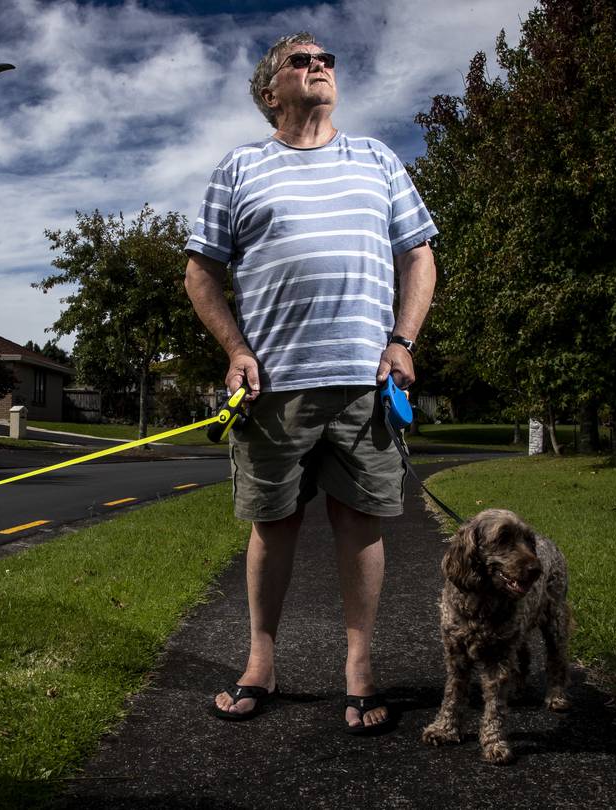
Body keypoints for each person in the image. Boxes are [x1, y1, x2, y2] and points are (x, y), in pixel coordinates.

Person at [184, 32, 438, 734]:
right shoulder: (241, 167)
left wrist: (402, 340)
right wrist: (236, 349)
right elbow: (200, 271)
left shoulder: (376, 160)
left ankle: (359, 666)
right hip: (274, 385)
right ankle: (260, 660)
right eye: (301, 60)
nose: (319, 66)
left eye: (325, 59)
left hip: (364, 379)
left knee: (360, 523)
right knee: (274, 523)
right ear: (271, 91)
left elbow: (419, 256)